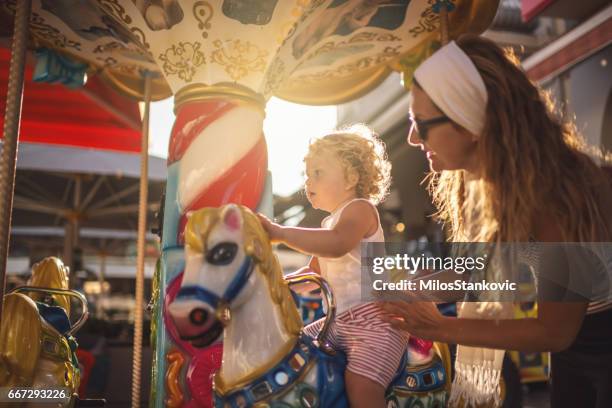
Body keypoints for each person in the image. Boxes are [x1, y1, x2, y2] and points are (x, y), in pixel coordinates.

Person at [380, 34, 612, 408]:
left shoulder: (554, 190)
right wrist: (399, 291)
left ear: (470, 122)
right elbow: (476, 271)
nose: (411, 138)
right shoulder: (499, 183)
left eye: (420, 124)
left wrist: (439, 326)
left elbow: (555, 331)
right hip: (580, 347)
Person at [259, 125, 416, 408]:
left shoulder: (360, 210)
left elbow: (337, 244)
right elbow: (312, 276)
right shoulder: (328, 224)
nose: (308, 182)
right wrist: (275, 284)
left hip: (375, 323)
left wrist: (280, 233)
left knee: (362, 387)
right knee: (288, 351)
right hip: (338, 323)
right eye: (306, 175)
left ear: (351, 178)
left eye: (317, 173)